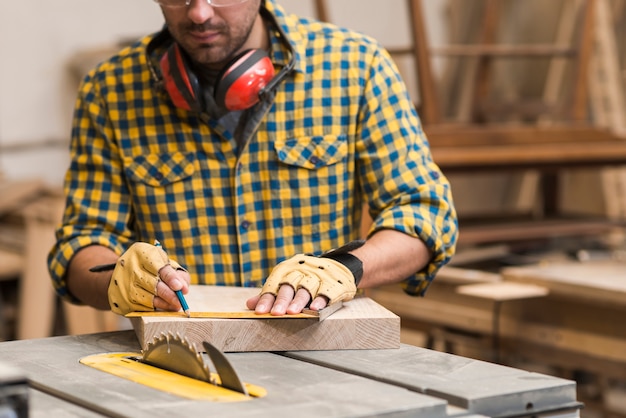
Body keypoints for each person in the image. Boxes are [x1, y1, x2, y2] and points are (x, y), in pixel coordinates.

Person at [48, 0, 458, 318]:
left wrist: (344, 268)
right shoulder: (109, 90)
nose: (199, 13)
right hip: (183, 360)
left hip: (325, 352)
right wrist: (120, 279)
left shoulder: (356, 67)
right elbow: (82, 244)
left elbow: (424, 214)